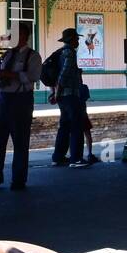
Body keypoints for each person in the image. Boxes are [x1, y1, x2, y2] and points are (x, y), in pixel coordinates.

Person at [0, 24, 42, 191]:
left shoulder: (33, 56)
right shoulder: (4, 53)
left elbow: (34, 76)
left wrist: (11, 75)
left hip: (21, 99)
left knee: (20, 141)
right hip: (2, 98)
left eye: (16, 34)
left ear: (25, 36)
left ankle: (18, 179)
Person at [49, 28, 89, 168]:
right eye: (76, 39)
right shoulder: (70, 53)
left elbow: (55, 74)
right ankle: (76, 158)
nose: (78, 41)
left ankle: (58, 157)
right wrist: (57, 92)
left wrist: (54, 92)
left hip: (62, 97)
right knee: (76, 126)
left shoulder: (60, 53)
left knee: (64, 126)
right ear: (71, 40)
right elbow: (64, 74)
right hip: (70, 95)